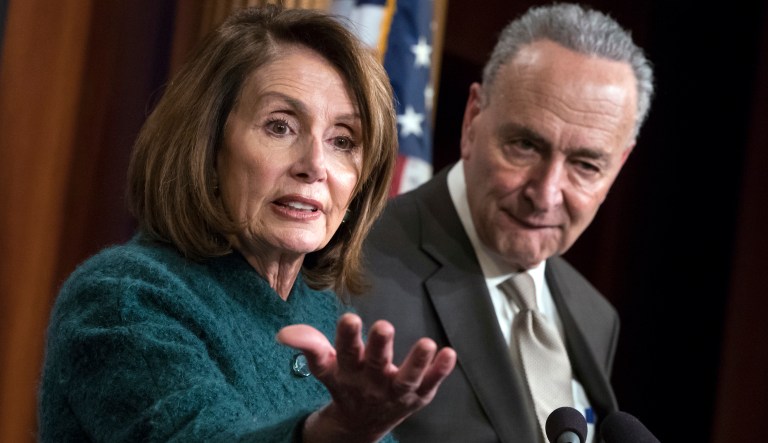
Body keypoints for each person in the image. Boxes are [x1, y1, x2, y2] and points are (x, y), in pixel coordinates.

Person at [37, 5, 456, 442]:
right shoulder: (122, 298)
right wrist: (335, 432)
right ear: (208, 147)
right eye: (280, 127)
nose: (315, 165)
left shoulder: (331, 318)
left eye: (342, 141)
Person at [352, 3, 654, 443]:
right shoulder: (353, 266)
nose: (546, 193)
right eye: (525, 145)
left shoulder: (596, 315)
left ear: (618, 167)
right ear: (473, 118)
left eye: (586, 165)